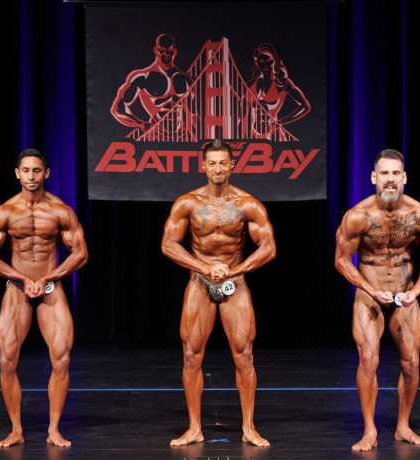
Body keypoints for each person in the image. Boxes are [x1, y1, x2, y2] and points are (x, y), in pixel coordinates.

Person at [161, 139, 276, 447]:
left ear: (232, 165)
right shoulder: (188, 203)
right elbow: (168, 244)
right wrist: (203, 266)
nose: (218, 169)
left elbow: (268, 248)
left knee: (244, 354)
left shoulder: (247, 204)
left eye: (223, 163)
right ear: (203, 166)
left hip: (235, 283)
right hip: (199, 282)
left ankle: (248, 428)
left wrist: (235, 271)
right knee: (191, 355)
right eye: (212, 163)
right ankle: (194, 428)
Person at [0, 149, 88, 448]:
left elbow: (80, 253)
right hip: (17, 288)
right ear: (17, 173)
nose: (31, 176)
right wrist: (24, 279)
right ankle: (16, 429)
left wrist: (49, 278)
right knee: (6, 359)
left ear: (46, 173)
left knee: (62, 357)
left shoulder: (61, 211)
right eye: (25, 170)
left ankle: (54, 429)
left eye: (36, 170)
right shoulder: (5, 212)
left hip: (51, 287)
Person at [334, 149, 420, 452]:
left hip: (405, 293)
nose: (390, 179)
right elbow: (341, 260)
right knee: (368, 360)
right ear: (373, 178)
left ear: (404, 177)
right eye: (384, 173)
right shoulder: (358, 217)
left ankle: (403, 426)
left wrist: (417, 290)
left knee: (412, 363)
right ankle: (369, 430)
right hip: (370, 294)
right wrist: (369, 289)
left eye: (395, 173)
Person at [110, 33, 194, 141]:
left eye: (169, 51)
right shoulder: (143, 77)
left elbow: (193, 113)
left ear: (175, 52)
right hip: (154, 136)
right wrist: (140, 124)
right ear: (155, 50)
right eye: (161, 50)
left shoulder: (186, 80)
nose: (166, 54)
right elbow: (117, 109)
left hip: (183, 136)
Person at [243, 43, 311, 141]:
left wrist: (281, 122)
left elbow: (305, 106)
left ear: (275, 61)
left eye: (269, 61)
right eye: (261, 61)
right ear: (257, 63)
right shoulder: (250, 85)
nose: (265, 64)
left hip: (275, 136)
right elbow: (243, 115)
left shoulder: (283, 83)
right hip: (251, 134)